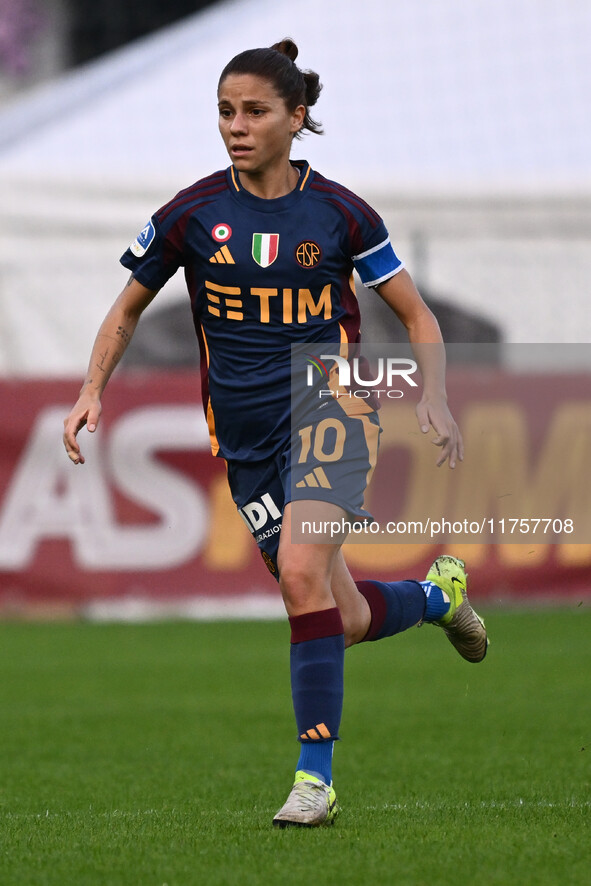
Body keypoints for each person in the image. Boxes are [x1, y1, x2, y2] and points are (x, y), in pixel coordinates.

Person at [63, 38, 488, 828]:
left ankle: (314, 781)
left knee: (298, 577)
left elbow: (416, 315)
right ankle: (438, 598)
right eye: (225, 111)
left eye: (255, 111)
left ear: (297, 118)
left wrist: (432, 393)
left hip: (332, 410)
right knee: (343, 613)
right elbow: (125, 311)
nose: (236, 125)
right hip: (246, 439)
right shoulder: (191, 215)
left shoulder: (340, 213)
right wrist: (92, 389)